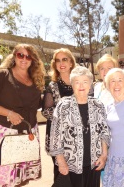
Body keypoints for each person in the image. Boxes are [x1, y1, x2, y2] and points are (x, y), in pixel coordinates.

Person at [0, 44, 45, 186]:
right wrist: (9, 113)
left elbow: (38, 104)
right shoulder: (3, 75)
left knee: (20, 177)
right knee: (4, 177)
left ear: (32, 60)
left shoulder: (35, 78)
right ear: (14, 56)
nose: (24, 59)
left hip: (29, 132)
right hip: (6, 132)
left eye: (28, 56)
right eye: (20, 55)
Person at [49, 66, 110, 187]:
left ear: (90, 85)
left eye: (85, 82)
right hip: (71, 164)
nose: (81, 86)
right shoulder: (63, 105)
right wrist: (61, 161)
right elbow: (56, 136)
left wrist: (104, 155)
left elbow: (104, 132)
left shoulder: (98, 105)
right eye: (77, 82)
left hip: (94, 163)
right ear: (72, 85)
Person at [41, 48, 76, 182]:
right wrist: (68, 116)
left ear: (71, 63)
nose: (61, 63)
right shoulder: (52, 86)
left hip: (77, 137)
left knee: (76, 175)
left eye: (65, 59)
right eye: (58, 60)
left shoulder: (79, 82)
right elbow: (46, 111)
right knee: (61, 174)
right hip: (57, 138)